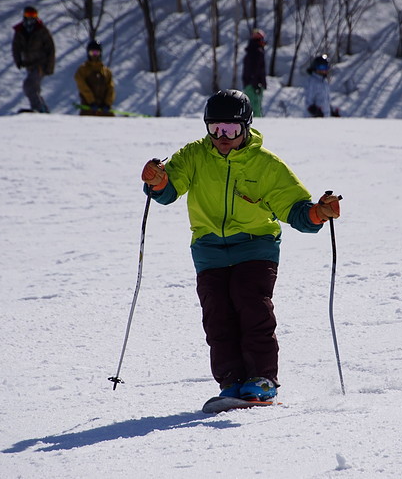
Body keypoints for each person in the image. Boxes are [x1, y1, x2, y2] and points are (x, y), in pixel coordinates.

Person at [140, 90, 341, 401]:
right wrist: (158, 181)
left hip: (255, 245)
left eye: (231, 130)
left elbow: (296, 209)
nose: (222, 137)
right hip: (208, 249)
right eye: (215, 129)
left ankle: (262, 379)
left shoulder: (266, 165)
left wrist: (318, 213)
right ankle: (231, 382)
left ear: (246, 128)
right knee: (217, 315)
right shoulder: (194, 156)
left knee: (251, 305)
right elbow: (168, 191)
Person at [12, 6, 55, 113]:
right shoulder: (20, 30)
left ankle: (38, 108)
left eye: (33, 16)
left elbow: (51, 49)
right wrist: (18, 60)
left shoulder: (41, 30)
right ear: (24, 16)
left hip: (41, 64)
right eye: (28, 15)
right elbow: (15, 47)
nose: (31, 18)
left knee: (29, 85)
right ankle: (44, 109)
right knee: (34, 88)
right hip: (29, 65)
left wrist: (49, 67)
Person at [74, 40, 116, 116]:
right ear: (88, 53)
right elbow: (82, 87)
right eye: (92, 53)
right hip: (88, 109)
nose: (94, 55)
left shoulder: (106, 71)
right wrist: (91, 102)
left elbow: (111, 88)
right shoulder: (83, 70)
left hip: (104, 110)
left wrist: (107, 103)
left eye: (97, 53)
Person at [242, 29, 267, 118]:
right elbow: (255, 70)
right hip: (254, 85)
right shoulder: (256, 53)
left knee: (252, 106)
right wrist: (256, 83)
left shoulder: (251, 52)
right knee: (255, 108)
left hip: (250, 83)